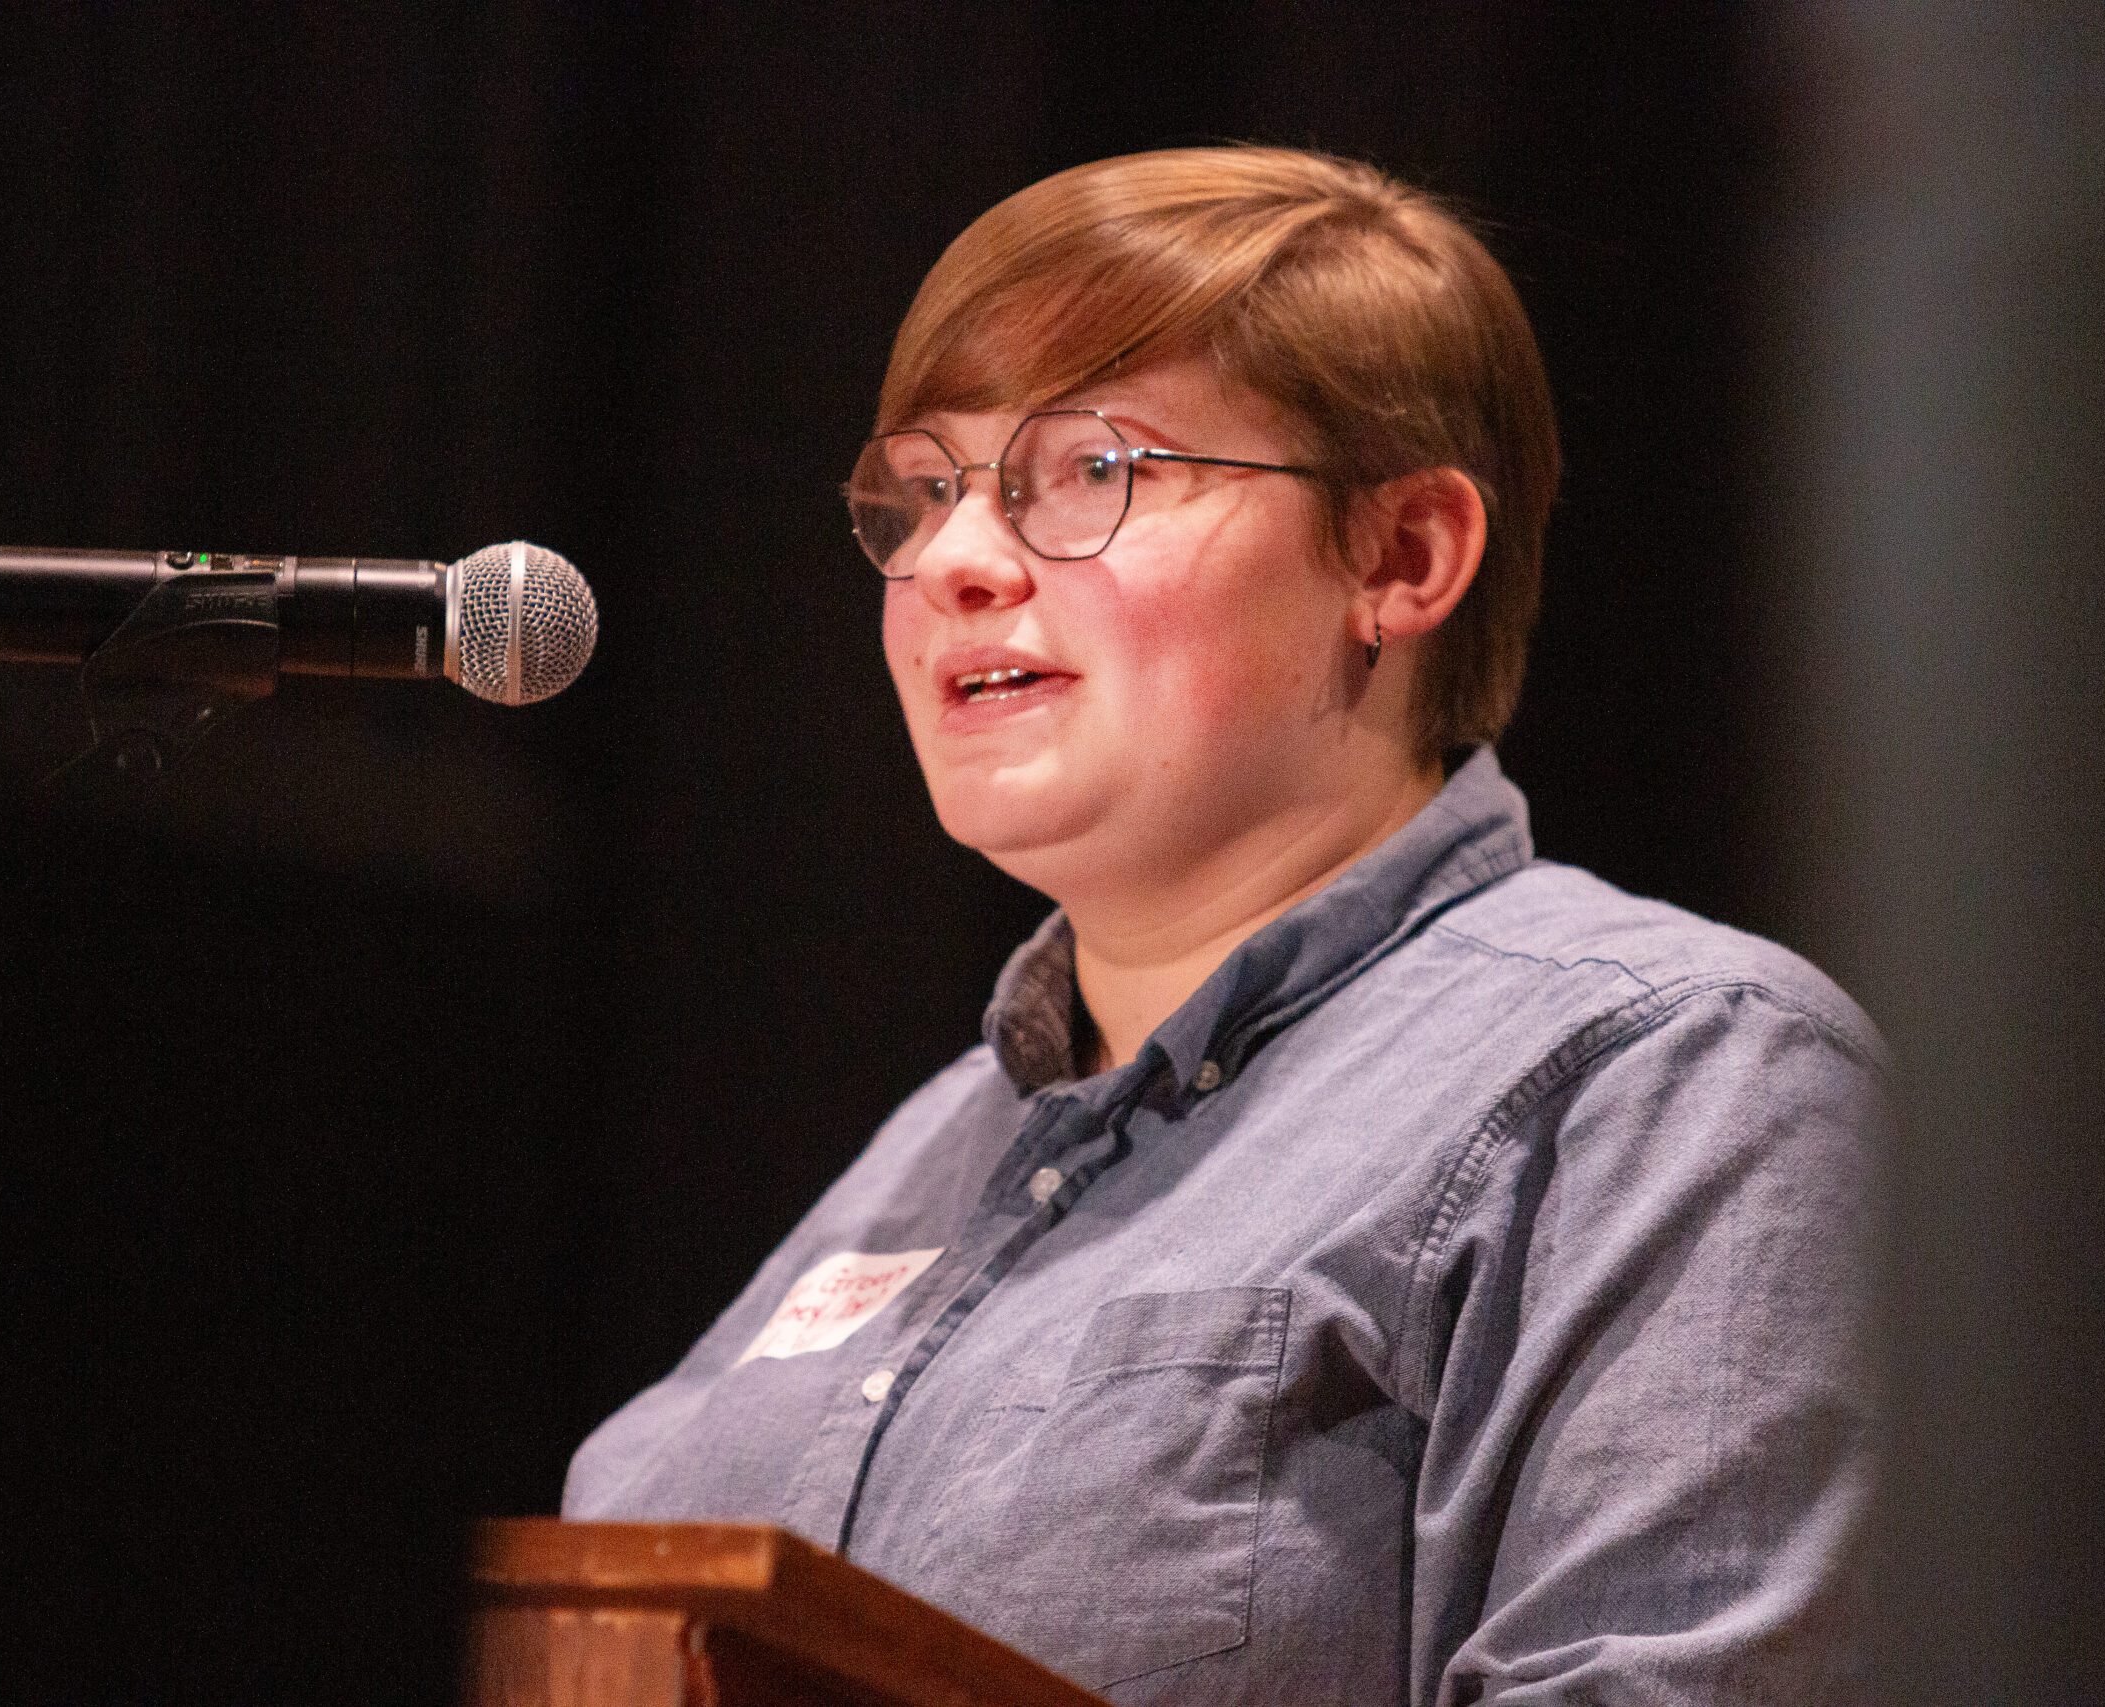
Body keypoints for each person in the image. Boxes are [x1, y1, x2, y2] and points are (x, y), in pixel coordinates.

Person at [565, 146, 1884, 1705]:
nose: (957, 562)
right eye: (925, 492)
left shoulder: (1674, 1080)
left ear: (1400, 557)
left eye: (1092, 473)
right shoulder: (925, 1157)